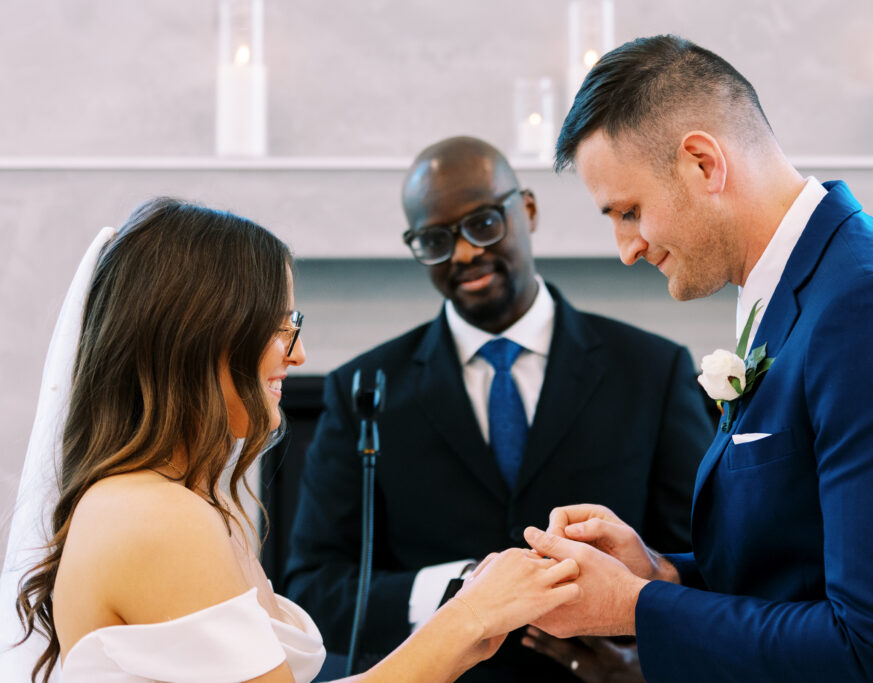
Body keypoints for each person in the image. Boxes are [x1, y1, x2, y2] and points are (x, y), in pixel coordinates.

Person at [518, 34, 873, 682]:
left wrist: (638, 606)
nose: (627, 248)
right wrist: (660, 571)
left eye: (630, 211)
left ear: (702, 162)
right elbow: (806, 567)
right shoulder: (805, 294)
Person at [0, 198, 581, 683]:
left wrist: (469, 619)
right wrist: (473, 615)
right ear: (205, 336)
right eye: (282, 328)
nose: (298, 355)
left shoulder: (164, 500)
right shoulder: (154, 516)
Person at [283, 136, 713, 682]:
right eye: (435, 240)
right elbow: (313, 590)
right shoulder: (363, 388)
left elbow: (703, 559)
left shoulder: (652, 370)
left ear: (527, 210)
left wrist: (649, 660)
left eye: (483, 224)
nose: (464, 253)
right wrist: (463, 587)